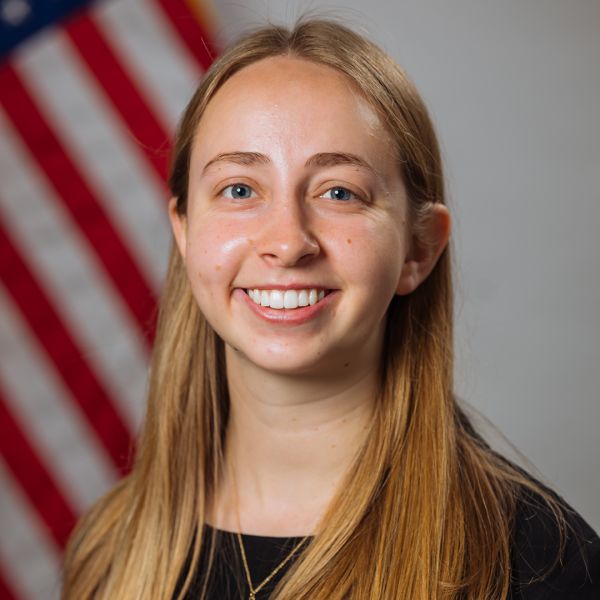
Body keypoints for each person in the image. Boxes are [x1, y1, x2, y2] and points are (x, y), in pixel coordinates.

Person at [61, 19, 600, 600]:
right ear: (185, 232)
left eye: (339, 192)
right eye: (239, 190)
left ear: (420, 248)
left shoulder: (540, 566)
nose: (289, 243)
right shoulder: (111, 549)